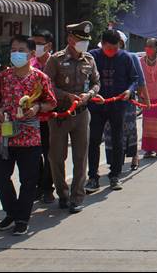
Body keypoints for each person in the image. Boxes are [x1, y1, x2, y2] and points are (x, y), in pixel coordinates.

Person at [0, 35, 57, 235]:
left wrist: (37, 107)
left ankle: (22, 218)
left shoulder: (39, 78)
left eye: (20, 50)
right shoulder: (2, 77)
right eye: (13, 50)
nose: (16, 53)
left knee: (28, 179)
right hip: (6, 135)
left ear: (31, 54)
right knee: (0, 177)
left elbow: (51, 102)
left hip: (30, 136)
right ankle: (11, 211)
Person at [44, 22, 100, 214]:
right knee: (57, 157)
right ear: (70, 39)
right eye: (80, 40)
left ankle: (77, 196)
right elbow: (46, 85)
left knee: (80, 157)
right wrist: (65, 95)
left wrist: (90, 94)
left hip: (82, 114)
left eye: (86, 41)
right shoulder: (56, 60)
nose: (83, 44)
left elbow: (96, 82)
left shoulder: (90, 59)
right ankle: (63, 193)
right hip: (60, 115)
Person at [86, 30, 140, 193]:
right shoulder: (92, 56)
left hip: (118, 106)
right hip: (96, 105)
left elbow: (134, 79)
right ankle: (93, 177)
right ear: (102, 43)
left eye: (115, 49)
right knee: (94, 140)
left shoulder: (125, 58)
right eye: (108, 49)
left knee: (118, 140)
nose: (111, 52)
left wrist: (130, 91)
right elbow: (85, 79)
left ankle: (115, 175)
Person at [102, 31, 148, 171]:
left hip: (127, 102)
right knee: (110, 132)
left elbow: (139, 79)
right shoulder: (102, 56)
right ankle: (116, 162)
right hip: (108, 101)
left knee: (130, 129)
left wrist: (146, 99)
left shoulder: (131, 57)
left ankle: (134, 156)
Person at [30, 29, 55, 204]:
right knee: (33, 154)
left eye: (40, 43)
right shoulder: (29, 64)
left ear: (48, 45)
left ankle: (48, 188)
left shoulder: (57, 62)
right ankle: (38, 186)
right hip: (31, 118)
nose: (37, 47)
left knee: (50, 154)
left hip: (52, 116)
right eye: (34, 43)